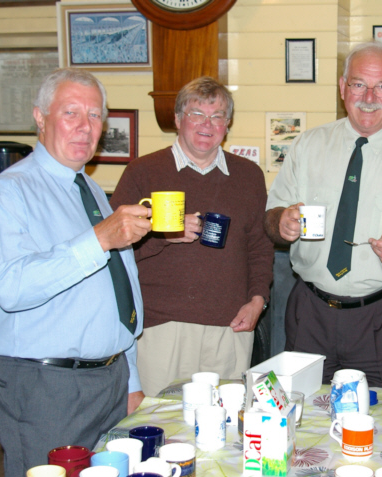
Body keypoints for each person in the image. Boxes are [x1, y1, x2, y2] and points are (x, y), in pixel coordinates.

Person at [0, 68, 152, 476]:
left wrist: (129, 378)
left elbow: (117, 290)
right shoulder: (9, 192)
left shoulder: (87, 188)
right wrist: (99, 240)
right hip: (46, 389)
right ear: (40, 117)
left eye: (94, 116)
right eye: (71, 112)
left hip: (108, 380)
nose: (85, 127)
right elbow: (12, 288)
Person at [264, 42, 382, 389]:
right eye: (358, 84)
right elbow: (272, 216)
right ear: (342, 88)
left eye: (381, 86)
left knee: (379, 423)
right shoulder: (307, 146)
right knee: (303, 416)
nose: (369, 96)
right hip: (310, 313)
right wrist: (281, 222)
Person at [110, 77, 273, 397]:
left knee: (224, 427)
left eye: (217, 116)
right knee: (161, 425)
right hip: (161, 330)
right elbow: (113, 248)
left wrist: (258, 300)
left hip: (231, 328)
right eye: (197, 113)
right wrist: (162, 235)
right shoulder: (142, 172)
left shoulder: (249, 175)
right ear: (177, 119)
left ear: (227, 124)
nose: (207, 124)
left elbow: (260, 247)